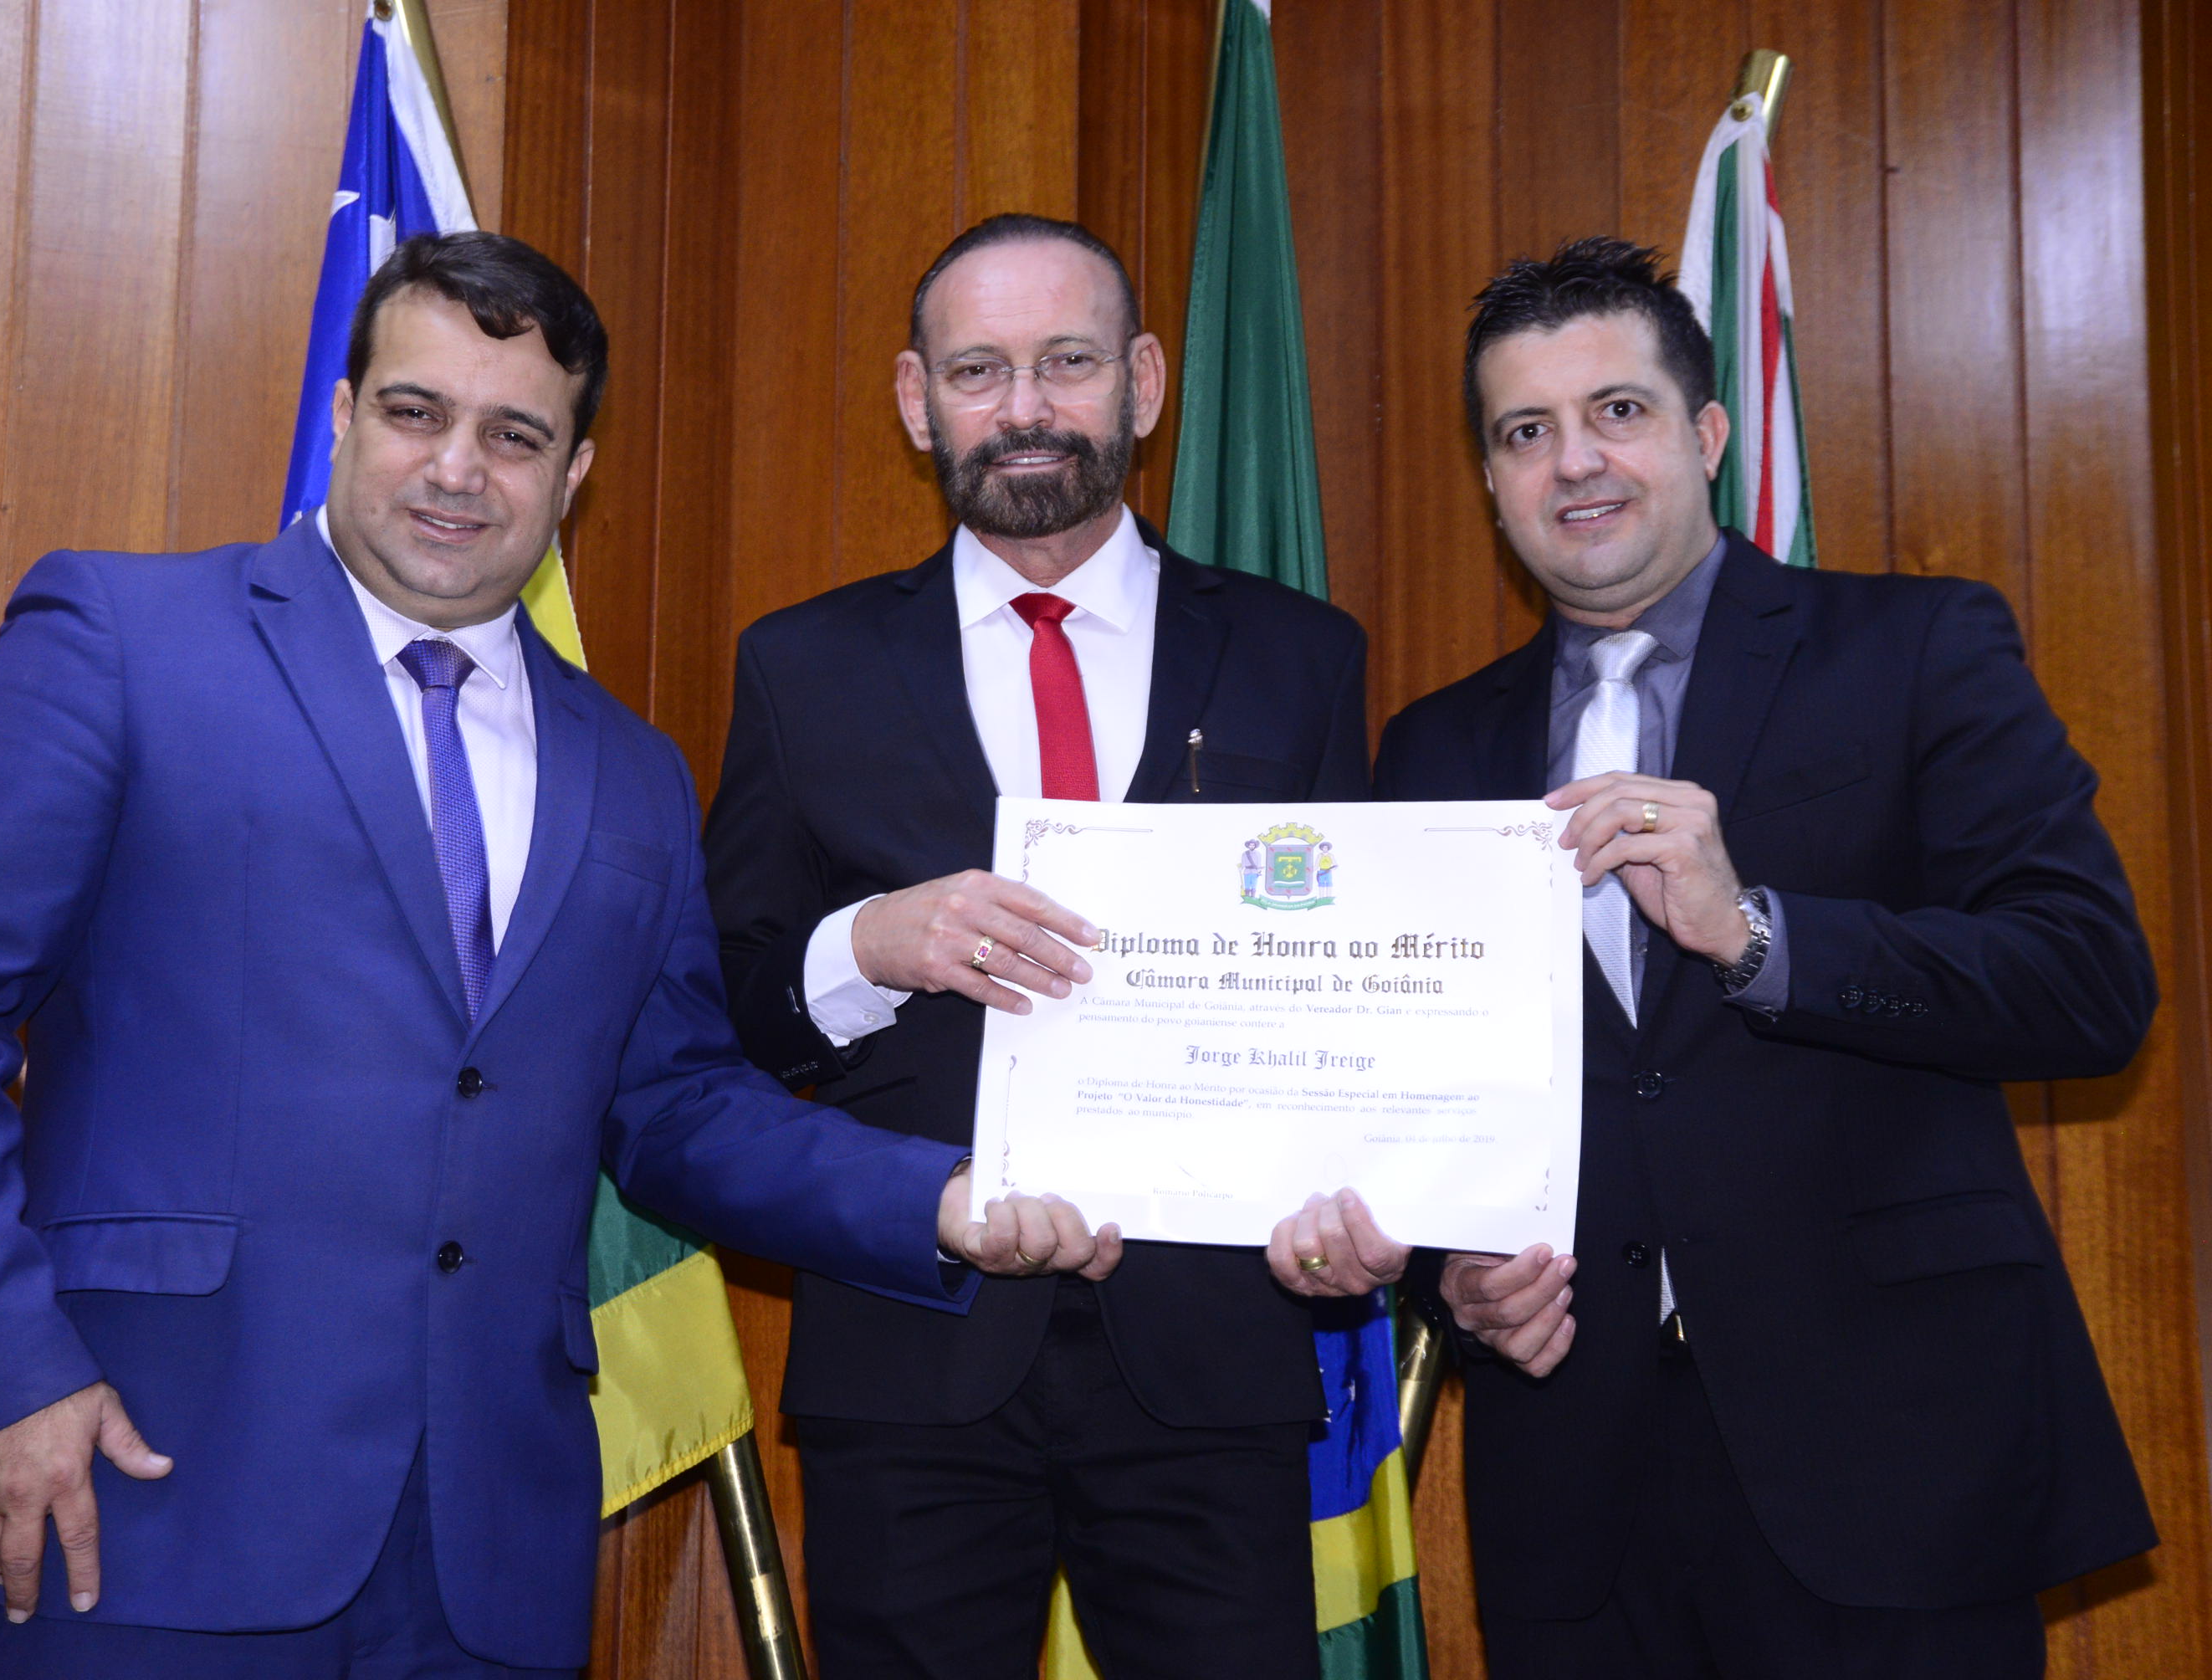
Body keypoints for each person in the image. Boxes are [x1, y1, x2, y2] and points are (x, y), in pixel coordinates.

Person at [0, 231, 1117, 1680]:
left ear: (573, 476)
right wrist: (1, 1379)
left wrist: (939, 1199)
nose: (457, 469)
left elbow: (678, 1108)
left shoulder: (631, 771)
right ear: (342, 415)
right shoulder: (124, 638)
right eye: (415, 411)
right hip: (139, 1498)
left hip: (482, 1562)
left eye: (515, 435)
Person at [1378, 236, 2158, 1678]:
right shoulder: (1432, 750)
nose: (1574, 462)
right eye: (1525, 431)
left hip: (1893, 1455)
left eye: (1618, 410)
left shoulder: (1914, 647)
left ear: (1708, 435)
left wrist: (1756, 934)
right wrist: (1448, 1278)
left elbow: (2089, 982)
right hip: (1575, 1483)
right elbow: (1409, 1095)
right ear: (1490, 479)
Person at [702, 213, 1405, 1680]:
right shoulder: (801, 665)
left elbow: (1355, 1001)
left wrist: (1367, 1206)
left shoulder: (1300, 655)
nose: (1024, 407)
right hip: (913, 1356)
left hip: (1213, 1358)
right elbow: (732, 1017)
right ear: (919, 402)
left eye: (1067, 363)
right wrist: (869, 945)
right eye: (979, 370)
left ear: (1143, 382)